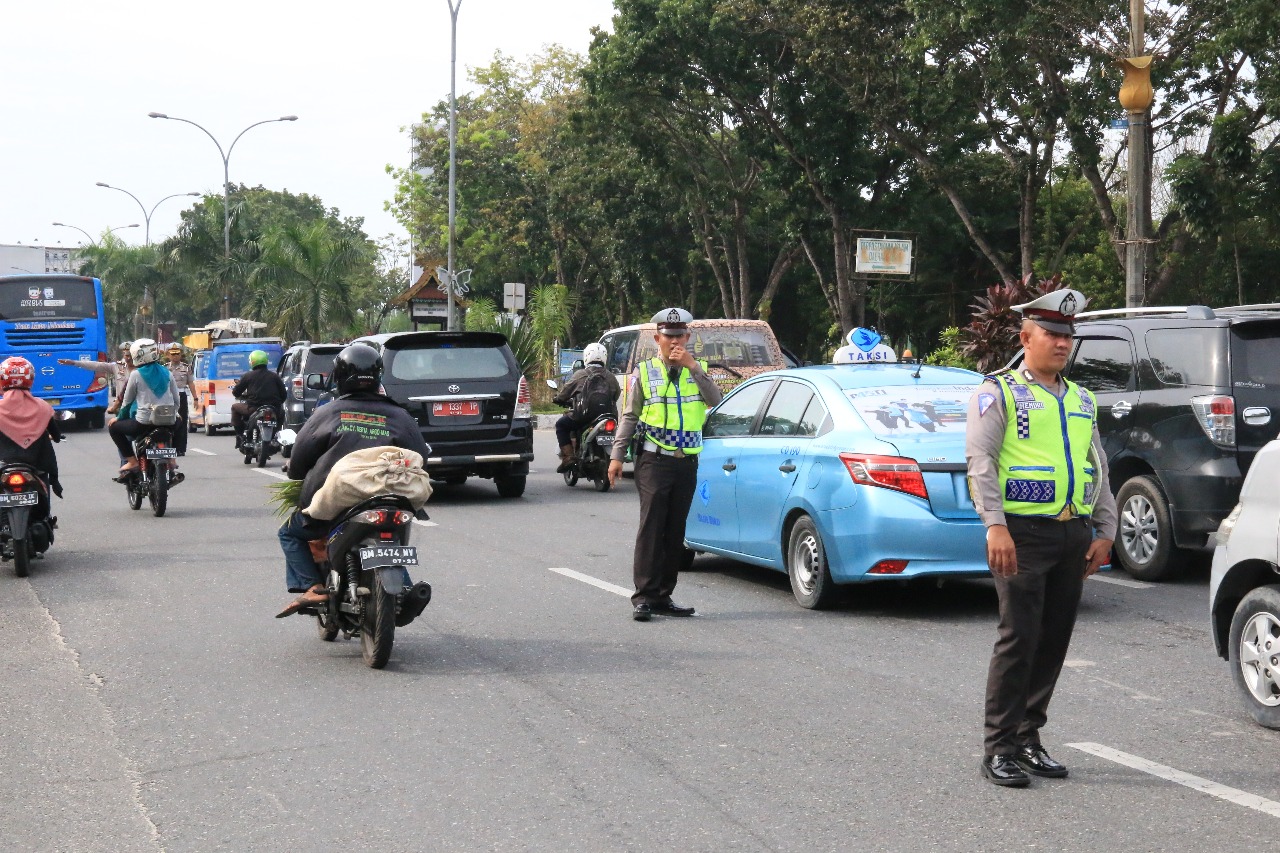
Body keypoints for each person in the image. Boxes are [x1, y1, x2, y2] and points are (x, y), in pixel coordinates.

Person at [965, 288, 1117, 788]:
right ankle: (1000, 747)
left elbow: (1098, 467)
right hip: (1022, 535)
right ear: (1025, 337)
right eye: (1051, 334)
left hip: (1072, 533)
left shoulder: (1080, 398)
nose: (1061, 343)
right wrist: (995, 525)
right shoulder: (999, 392)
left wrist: (1105, 530)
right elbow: (981, 462)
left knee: (1053, 640)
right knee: (1019, 639)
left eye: (1066, 336)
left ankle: (1029, 739)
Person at [275, 343, 431, 618]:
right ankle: (405, 589)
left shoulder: (327, 413)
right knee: (390, 544)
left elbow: (298, 463)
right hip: (392, 498)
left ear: (339, 377)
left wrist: (298, 474)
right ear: (378, 377)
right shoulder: (399, 415)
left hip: (340, 501)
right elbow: (420, 456)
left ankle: (311, 586)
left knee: (290, 532)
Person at [608, 308, 723, 622]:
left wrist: (693, 367)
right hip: (653, 460)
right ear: (657, 338)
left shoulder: (698, 370)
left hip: (686, 462)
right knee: (652, 527)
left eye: (679, 335)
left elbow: (716, 401)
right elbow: (629, 416)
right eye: (668, 336)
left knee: (675, 531)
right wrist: (617, 456)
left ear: (688, 337)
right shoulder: (643, 373)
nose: (674, 341)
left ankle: (663, 596)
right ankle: (643, 597)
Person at [0, 357, 64, 509]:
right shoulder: (42, 407)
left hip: (4, 465)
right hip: (35, 465)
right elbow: (56, 436)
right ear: (30, 379)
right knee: (44, 494)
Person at [108, 339, 180, 474]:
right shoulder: (167, 372)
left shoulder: (136, 374)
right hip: (168, 421)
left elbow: (127, 401)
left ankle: (132, 461)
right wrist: (174, 413)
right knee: (179, 421)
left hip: (143, 422)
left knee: (113, 428)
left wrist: (118, 418)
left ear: (138, 355)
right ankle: (172, 459)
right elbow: (176, 400)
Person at [552, 342, 617, 473]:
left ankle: (569, 457)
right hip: (607, 416)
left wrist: (558, 399)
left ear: (586, 357)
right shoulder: (611, 376)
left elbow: (565, 393)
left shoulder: (580, 374)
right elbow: (616, 395)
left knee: (561, 425)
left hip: (583, 416)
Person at [230, 350, 286, 450]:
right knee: (282, 413)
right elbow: (284, 395)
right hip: (274, 410)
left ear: (252, 362)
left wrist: (242, 395)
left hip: (253, 409)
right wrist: (277, 404)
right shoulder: (274, 376)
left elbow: (236, 392)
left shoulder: (247, 376)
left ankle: (239, 436)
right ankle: (275, 435)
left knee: (234, 407)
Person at [59, 341, 132, 416]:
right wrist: (74, 362)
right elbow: (96, 365)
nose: (128, 358)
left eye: (131, 355)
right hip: (121, 407)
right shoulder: (117, 367)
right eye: (126, 355)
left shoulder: (142, 369)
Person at [165, 344, 191, 456]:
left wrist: (195, 398)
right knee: (167, 421)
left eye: (177, 354)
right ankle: (169, 446)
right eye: (173, 354)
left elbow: (191, 383)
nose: (175, 356)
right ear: (168, 355)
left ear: (181, 354)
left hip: (181, 395)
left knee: (182, 421)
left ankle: (180, 448)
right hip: (168, 397)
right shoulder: (164, 368)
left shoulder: (186, 367)